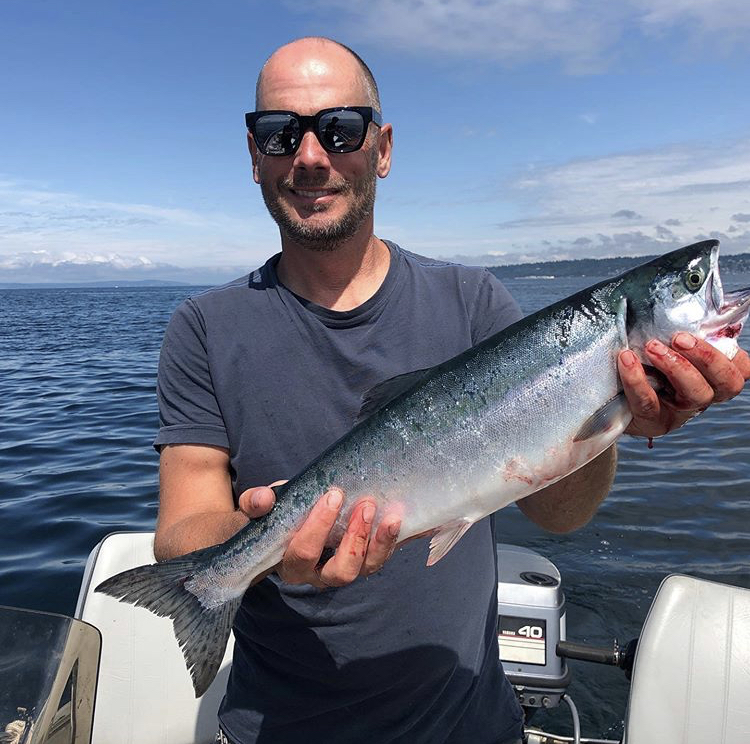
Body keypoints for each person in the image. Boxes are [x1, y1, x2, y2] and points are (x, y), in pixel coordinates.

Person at [152, 37, 750, 744]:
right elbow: (181, 532)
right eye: (280, 134)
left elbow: (560, 515)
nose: (310, 156)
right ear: (254, 157)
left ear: (382, 148)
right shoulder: (203, 328)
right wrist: (265, 543)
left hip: (469, 725)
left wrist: (621, 417)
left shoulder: (473, 302)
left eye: (340, 128)